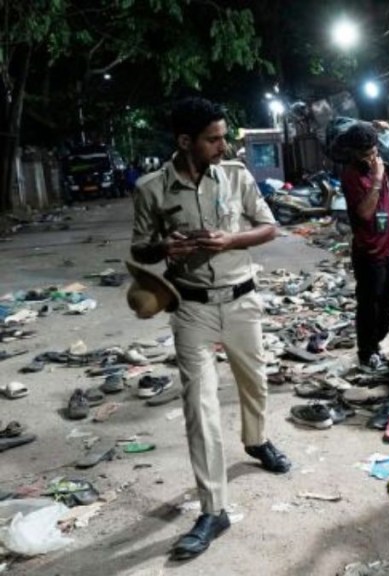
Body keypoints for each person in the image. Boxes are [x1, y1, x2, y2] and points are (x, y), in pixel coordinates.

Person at [130, 97, 291, 560]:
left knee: (254, 382)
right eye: (213, 139)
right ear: (185, 141)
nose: (223, 146)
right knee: (199, 409)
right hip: (190, 308)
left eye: (223, 137)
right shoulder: (150, 189)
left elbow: (269, 228)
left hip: (241, 300)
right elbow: (140, 248)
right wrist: (165, 247)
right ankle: (213, 509)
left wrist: (231, 240)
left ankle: (256, 440)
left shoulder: (237, 176)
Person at [331, 120, 389, 370]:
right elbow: (365, 213)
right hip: (368, 252)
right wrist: (378, 178)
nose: (371, 158)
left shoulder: (382, 163)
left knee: (387, 302)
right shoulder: (352, 175)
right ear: (354, 153)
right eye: (366, 154)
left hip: (387, 248)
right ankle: (366, 352)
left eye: (373, 151)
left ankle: (375, 344)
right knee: (369, 305)